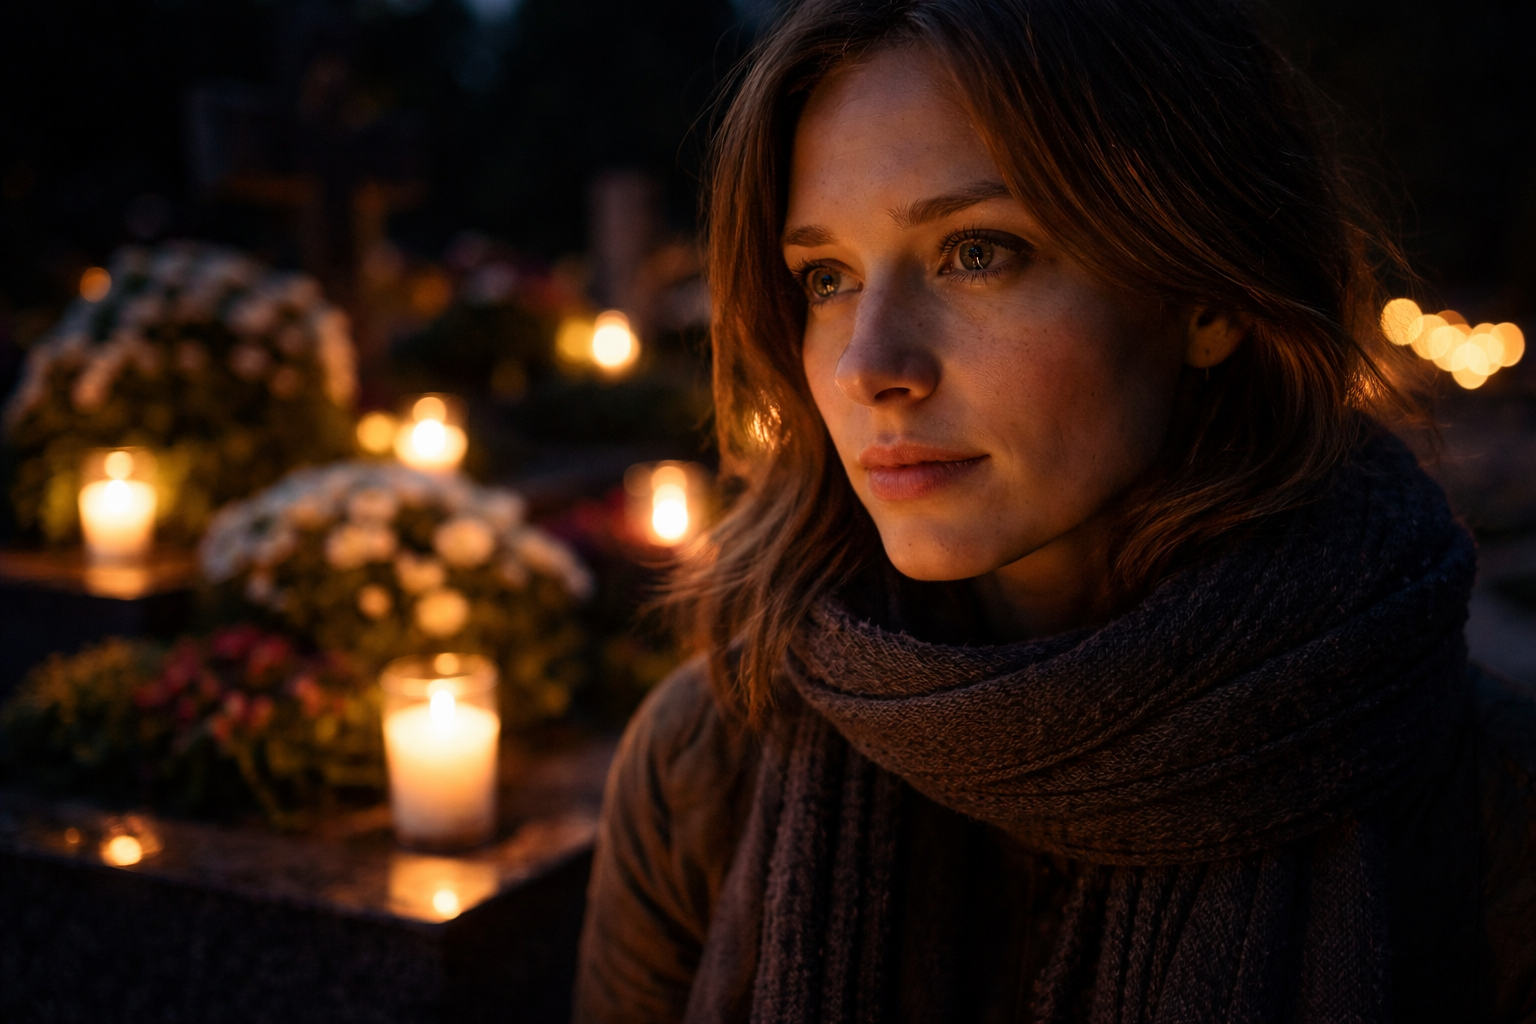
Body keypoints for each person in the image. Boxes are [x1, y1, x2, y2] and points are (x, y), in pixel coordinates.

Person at [574, 0, 1536, 1020]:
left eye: (976, 253)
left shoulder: (1484, 797)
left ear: (1208, 297)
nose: (868, 365)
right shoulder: (709, 753)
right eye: (826, 277)